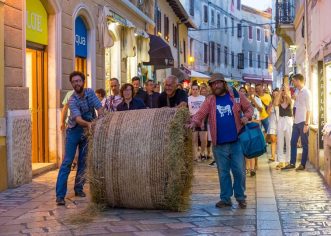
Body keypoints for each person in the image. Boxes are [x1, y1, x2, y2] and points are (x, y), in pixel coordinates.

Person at [188, 73, 253, 209]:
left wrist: (247, 117)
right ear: (211, 86)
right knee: (223, 173)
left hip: (236, 142)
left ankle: (241, 197)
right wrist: (194, 123)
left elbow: (249, 108)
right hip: (219, 144)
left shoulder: (235, 96)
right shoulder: (210, 100)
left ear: (224, 83)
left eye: (218, 83)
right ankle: (225, 198)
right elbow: (200, 114)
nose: (216, 85)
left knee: (239, 172)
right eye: (213, 84)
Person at [56, 71, 104, 205]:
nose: (76, 83)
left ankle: (79, 188)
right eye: (73, 82)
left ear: (83, 82)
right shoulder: (72, 99)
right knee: (67, 162)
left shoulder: (90, 92)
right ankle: (60, 195)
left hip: (88, 129)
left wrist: (100, 120)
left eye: (78, 81)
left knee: (83, 161)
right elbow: (77, 119)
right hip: (74, 130)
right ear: (71, 84)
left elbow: (99, 108)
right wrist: (90, 125)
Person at [282, 74, 311, 171]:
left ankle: (302, 164)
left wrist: (307, 124)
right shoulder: (297, 91)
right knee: (292, 142)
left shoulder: (306, 92)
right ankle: (292, 162)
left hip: (303, 121)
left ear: (298, 81)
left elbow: (309, 110)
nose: (293, 83)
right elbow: (295, 104)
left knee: (304, 144)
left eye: (293, 81)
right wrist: (293, 97)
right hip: (296, 121)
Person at [188, 84, 208, 161]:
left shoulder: (203, 98)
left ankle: (202, 153)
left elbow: (206, 110)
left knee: (203, 140)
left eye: (196, 89)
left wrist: (203, 121)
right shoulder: (189, 98)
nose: (195, 91)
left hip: (202, 118)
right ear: (191, 90)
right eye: (193, 89)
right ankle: (195, 156)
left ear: (199, 90)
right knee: (194, 139)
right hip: (192, 118)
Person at [246, 86, 263, 176]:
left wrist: (253, 100)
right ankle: (248, 167)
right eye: (250, 90)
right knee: (247, 145)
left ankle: (255, 164)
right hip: (246, 125)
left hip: (255, 124)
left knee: (254, 146)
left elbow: (260, 110)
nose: (251, 92)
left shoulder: (257, 99)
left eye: (253, 90)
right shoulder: (244, 99)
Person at [275, 85, 293, 169]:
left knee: (289, 141)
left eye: (284, 89)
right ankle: (280, 161)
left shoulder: (290, 98)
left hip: (288, 120)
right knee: (280, 141)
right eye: (282, 90)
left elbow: (290, 102)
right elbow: (275, 103)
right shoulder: (279, 99)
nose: (283, 91)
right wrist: (279, 92)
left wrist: (286, 92)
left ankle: (288, 160)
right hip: (281, 120)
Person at [266, 89, 280, 163]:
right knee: (273, 138)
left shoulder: (281, 102)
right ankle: (273, 156)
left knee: (278, 140)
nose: (275, 95)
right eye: (274, 94)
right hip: (272, 122)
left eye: (276, 94)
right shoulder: (270, 103)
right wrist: (270, 106)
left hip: (280, 122)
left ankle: (277, 155)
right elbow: (268, 113)